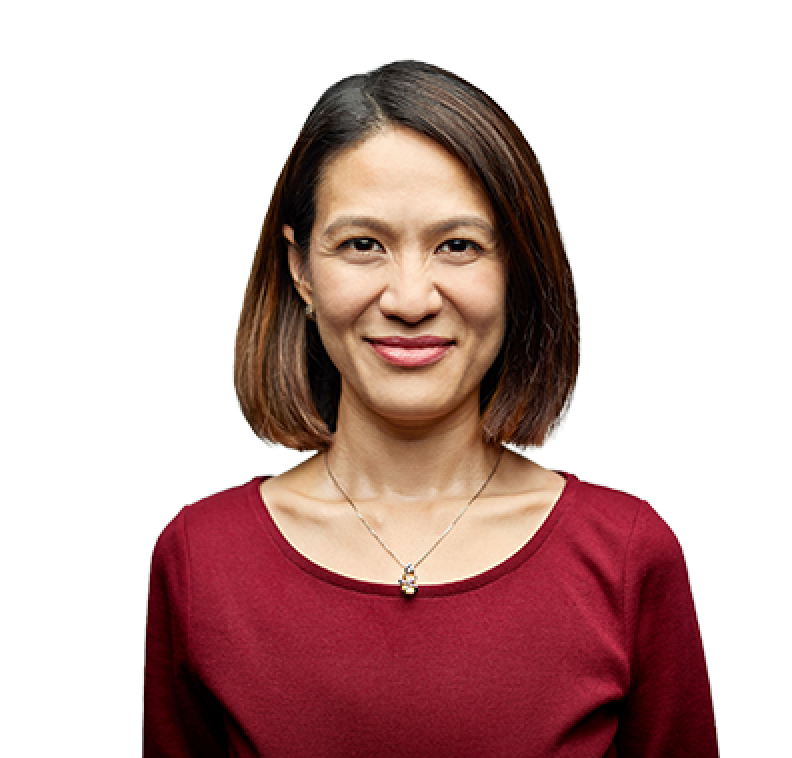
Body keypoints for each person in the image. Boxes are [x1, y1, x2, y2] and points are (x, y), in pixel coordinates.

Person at [143, 60, 718, 757]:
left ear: (517, 269)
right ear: (300, 269)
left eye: (458, 246)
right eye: (362, 245)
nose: (411, 299)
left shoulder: (628, 556)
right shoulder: (202, 556)